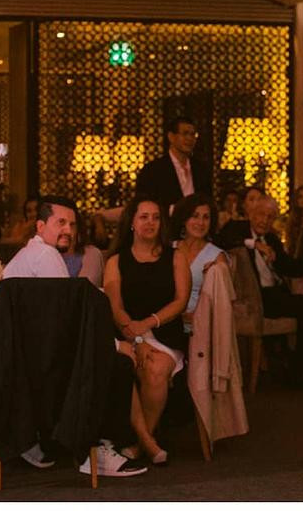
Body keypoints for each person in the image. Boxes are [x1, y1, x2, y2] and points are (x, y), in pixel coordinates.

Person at [1, 195, 148, 477]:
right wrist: (116, 345)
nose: (68, 229)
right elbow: (68, 326)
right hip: (38, 365)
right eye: (60, 223)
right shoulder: (46, 257)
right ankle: (94, 451)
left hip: (19, 360)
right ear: (41, 225)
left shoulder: (26, 255)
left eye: (71, 223)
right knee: (117, 365)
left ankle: (43, 438)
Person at [104, 195, 191, 465]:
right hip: (127, 333)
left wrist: (150, 323)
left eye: (155, 217)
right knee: (132, 365)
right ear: (131, 222)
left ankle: (139, 444)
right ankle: (149, 444)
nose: (150, 223)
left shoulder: (176, 256)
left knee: (155, 369)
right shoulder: (115, 262)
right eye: (143, 217)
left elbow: (180, 301)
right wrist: (137, 336)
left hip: (165, 333)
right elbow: (115, 307)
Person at [222, 196, 303, 383]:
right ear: (251, 214)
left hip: (274, 294)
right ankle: (300, 369)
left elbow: (288, 266)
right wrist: (255, 244)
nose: (264, 221)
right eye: (260, 215)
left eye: (270, 217)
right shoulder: (236, 229)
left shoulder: (272, 238)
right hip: (254, 299)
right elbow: (221, 240)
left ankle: (299, 367)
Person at [170, 193, 226, 334]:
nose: (201, 223)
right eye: (195, 216)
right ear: (184, 219)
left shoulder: (217, 256)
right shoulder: (168, 249)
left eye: (206, 217)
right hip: (166, 320)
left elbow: (222, 303)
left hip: (200, 326)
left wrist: (198, 316)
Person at [134, 116, 212, 216]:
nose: (189, 138)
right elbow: (143, 205)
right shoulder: (153, 170)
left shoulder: (201, 169)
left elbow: (208, 202)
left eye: (193, 135)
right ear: (171, 137)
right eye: (185, 134)